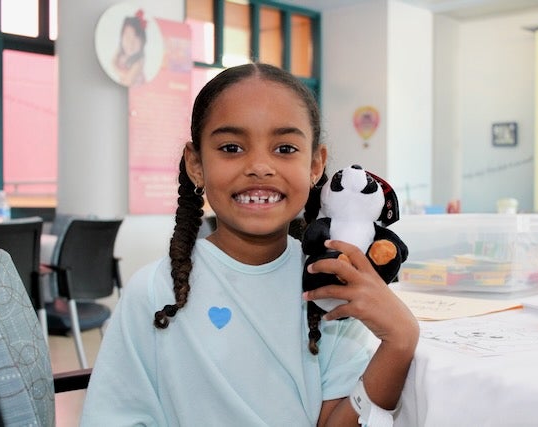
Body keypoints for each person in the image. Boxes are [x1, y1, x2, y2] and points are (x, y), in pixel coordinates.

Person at [80, 63, 419, 426]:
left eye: (285, 148)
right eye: (231, 147)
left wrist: (400, 339)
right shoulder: (151, 293)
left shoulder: (331, 286)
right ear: (196, 164)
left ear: (315, 165)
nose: (259, 166)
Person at [113, 10, 147, 87]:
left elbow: (127, 81)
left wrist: (115, 68)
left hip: (136, 95)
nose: (131, 43)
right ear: (121, 37)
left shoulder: (139, 62)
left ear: (143, 42)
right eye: (127, 37)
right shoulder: (121, 52)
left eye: (136, 38)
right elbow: (112, 61)